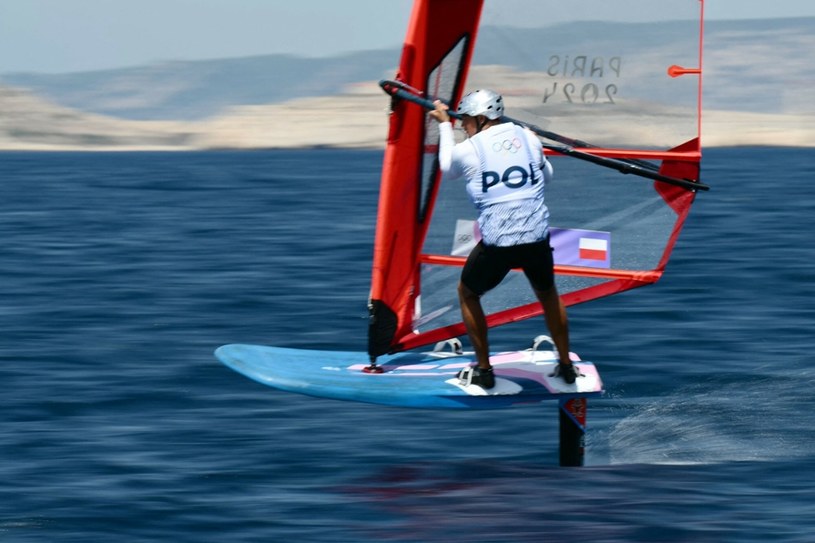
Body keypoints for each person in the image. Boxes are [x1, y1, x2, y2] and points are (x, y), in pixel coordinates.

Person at [429, 89, 578, 388]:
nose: (463, 127)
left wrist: (444, 123)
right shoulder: (529, 138)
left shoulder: (470, 149)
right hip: (536, 238)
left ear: (482, 118)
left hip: (499, 244)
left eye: (466, 122)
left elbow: (446, 166)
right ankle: (566, 367)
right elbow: (546, 176)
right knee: (547, 294)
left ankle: (484, 371)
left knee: (468, 293)